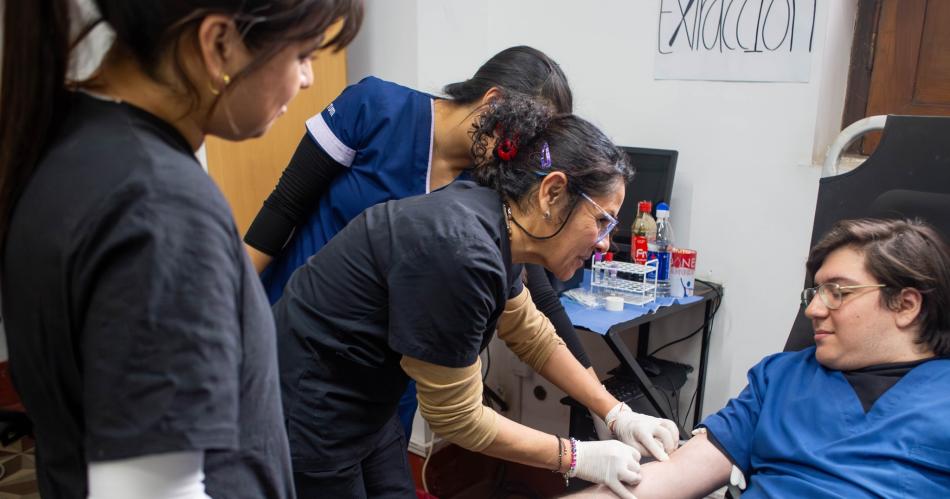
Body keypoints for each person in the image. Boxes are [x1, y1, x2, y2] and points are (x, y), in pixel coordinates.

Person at [0, 1, 361, 498]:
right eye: (302, 54)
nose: (305, 79)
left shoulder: (71, 139)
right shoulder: (161, 208)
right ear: (218, 45)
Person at [273, 97, 680, 499]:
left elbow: (532, 333)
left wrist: (615, 413)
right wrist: (576, 457)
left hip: (365, 405)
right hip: (309, 406)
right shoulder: (461, 250)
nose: (606, 244)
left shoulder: (492, 224)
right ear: (552, 193)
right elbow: (458, 417)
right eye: (602, 221)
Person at [243, 45, 603, 437]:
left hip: (384, 370)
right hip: (301, 330)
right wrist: (233, 312)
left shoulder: (491, 185)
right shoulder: (376, 108)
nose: (525, 161)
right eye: (526, 139)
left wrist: (605, 407)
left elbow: (534, 302)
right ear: (494, 103)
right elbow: (283, 209)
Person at [568, 218, 950, 498]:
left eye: (839, 292)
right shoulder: (781, 378)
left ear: (905, 304)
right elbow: (666, 480)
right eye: (814, 292)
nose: (814, 309)